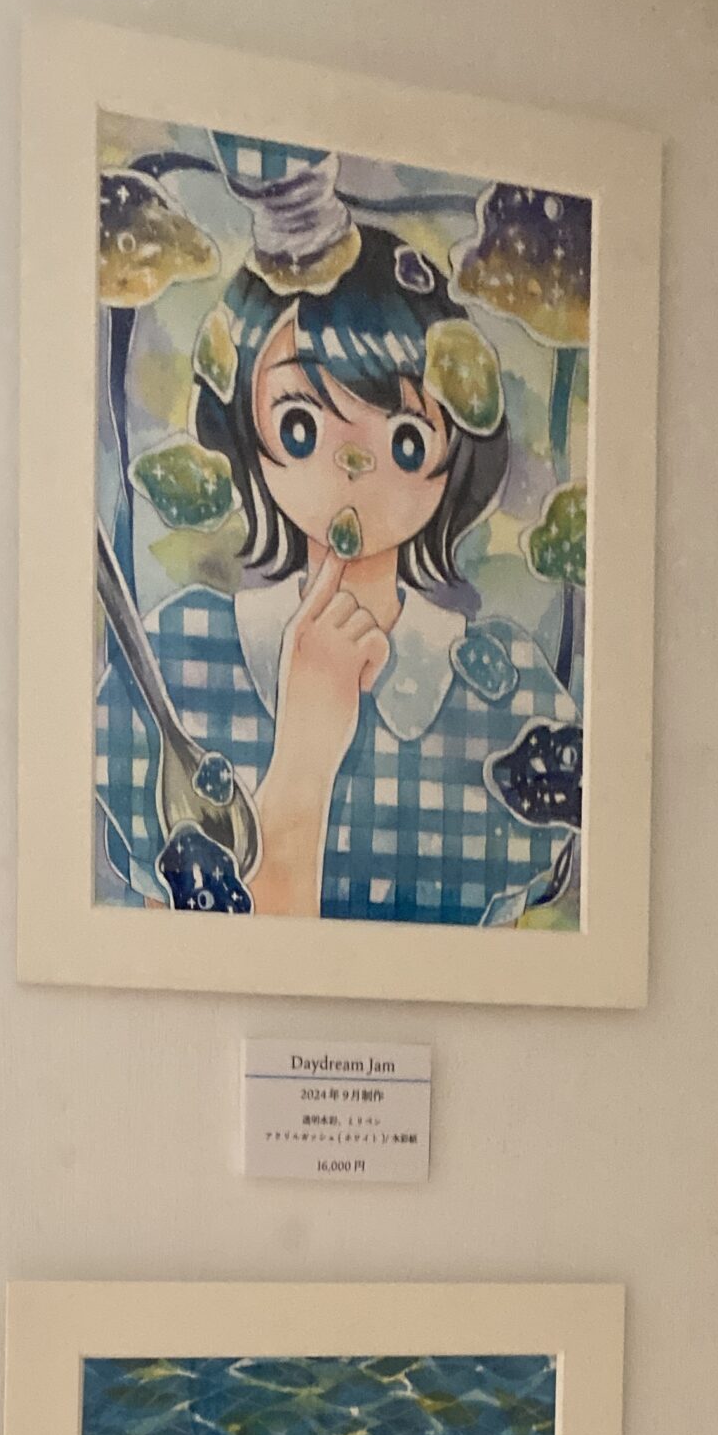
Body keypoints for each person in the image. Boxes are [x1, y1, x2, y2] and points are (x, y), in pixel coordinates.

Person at [97, 190, 581, 927]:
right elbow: (176, 966)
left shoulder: (507, 699)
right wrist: (303, 755)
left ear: (459, 457)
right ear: (242, 429)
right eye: (300, 427)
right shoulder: (175, 659)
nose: (353, 465)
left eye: (407, 442)